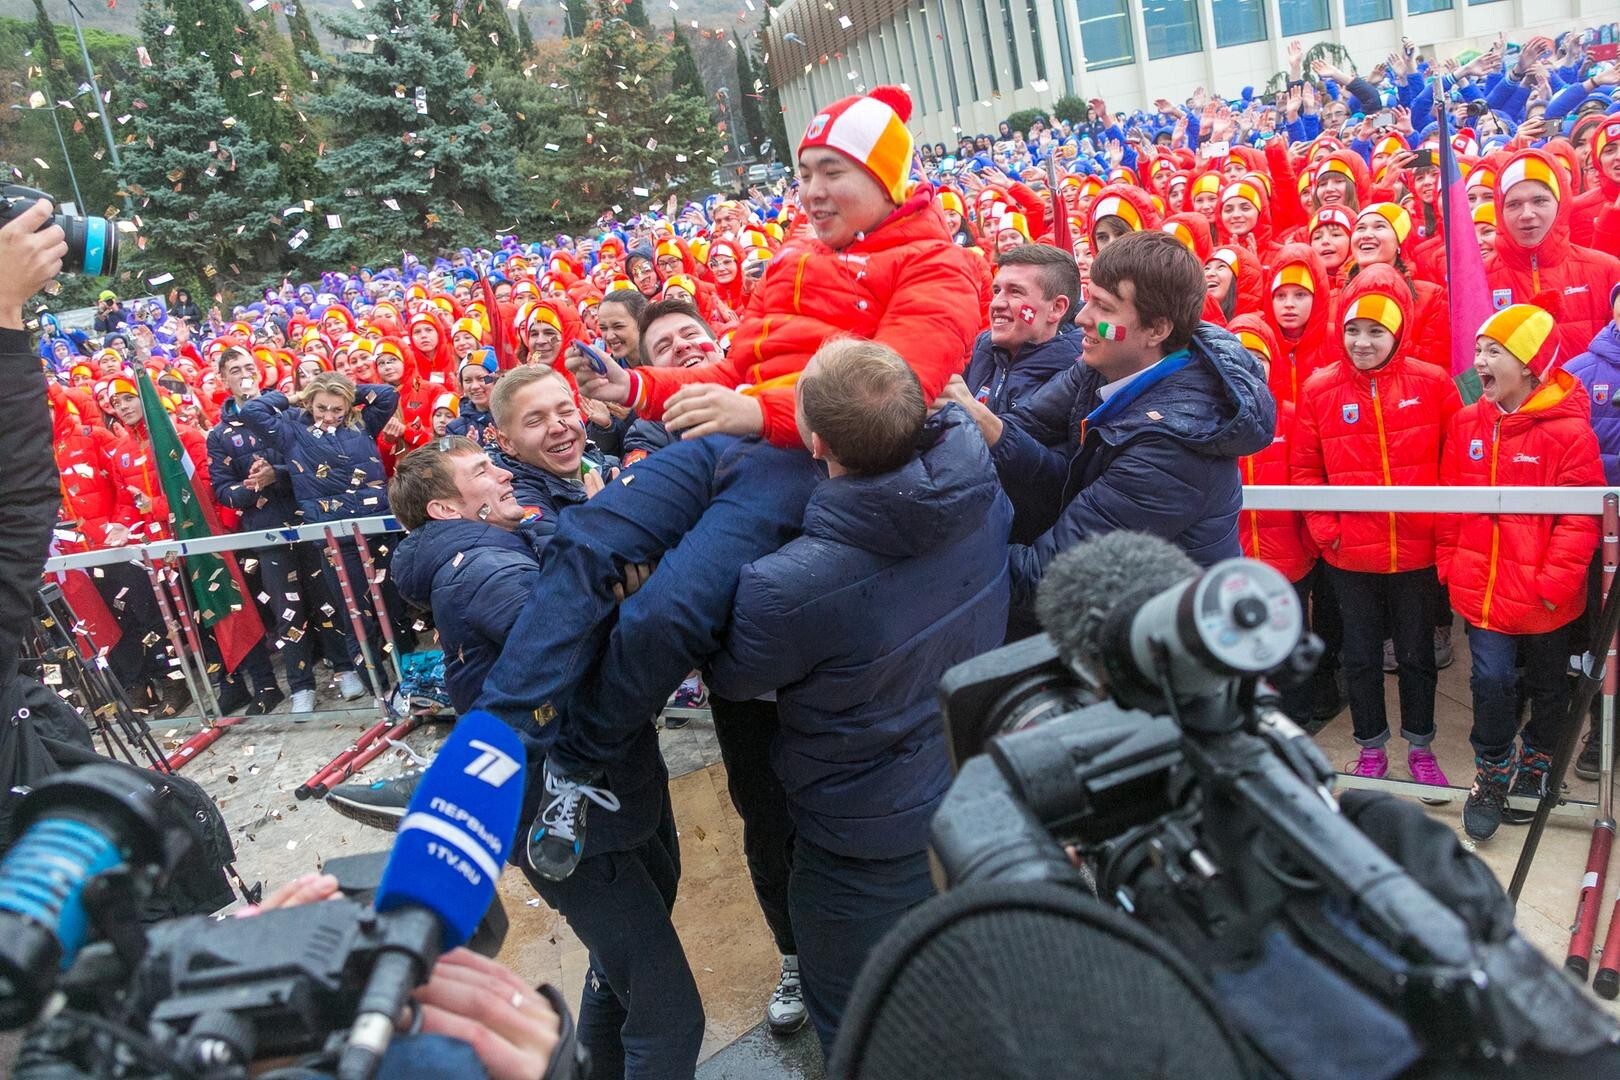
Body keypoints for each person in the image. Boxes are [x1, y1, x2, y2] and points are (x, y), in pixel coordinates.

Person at [478, 84, 981, 882]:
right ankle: (494, 745)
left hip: (801, 458)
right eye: (804, 173)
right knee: (587, 538)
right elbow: (731, 368)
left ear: (887, 180)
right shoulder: (795, 255)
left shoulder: (937, 267)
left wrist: (759, 411)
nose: (811, 191)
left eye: (832, 172)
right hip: (729, 439)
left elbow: (894, 391)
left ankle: (576, 763)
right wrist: (636, 387)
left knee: (664, 613)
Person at [709, 339, 1012, 1057]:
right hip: (963, 792)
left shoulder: (786, 584)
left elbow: (734, 677)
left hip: (860, 841)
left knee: (861, 1026)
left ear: (813, 443)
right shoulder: (979, 491)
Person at [942, 229, 1274, 628]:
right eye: (1089, 298)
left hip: (1166, 641)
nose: (1082, 317)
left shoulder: (1172, 451)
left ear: (1157, 330)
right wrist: (975, 422)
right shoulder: (1102, 364)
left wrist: (933, 559)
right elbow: (1026, 425)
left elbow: (1049, 576)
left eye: (1103, 307)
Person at [1291, 265, 1460, 787]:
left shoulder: (1433, 383)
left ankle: (1421, 748)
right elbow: (1305, 470)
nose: (1362, 342)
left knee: (1415, 656)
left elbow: (1455, 463)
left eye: (1375, 331)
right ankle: (1370, 747)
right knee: (1361, 656)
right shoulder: (1320, 388)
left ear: (1399, 331)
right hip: (1351, 555)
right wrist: (1329, 531)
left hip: (1416, 551)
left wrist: (1442, 533)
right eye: (1353, 330)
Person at [1441, 303, 1603, 841]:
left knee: (1549, 687)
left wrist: (1553, 585)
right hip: (1481, 589)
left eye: (1495, 351)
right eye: (1479, 349)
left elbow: (1579, 519)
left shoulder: (1569, 432)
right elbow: (1449, 502)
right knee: (1489, 681)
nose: (1479, 361)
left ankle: (1537, 760)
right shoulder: (1467, 422)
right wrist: (1449, 562)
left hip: (1545, 597)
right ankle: (1492, 770)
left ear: (1531, 366)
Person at [208, 345, 357, 709]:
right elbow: (222, 491)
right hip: (267, 531)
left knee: (326, 596)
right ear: (223, 380)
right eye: (235, 370)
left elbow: (320, 464)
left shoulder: (291, 414)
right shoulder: (219, 434)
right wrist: (252, 487)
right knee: (286, 610)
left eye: (249, 367)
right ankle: (301, 685)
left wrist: (279, 474)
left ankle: (344, 667)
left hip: (308, 519)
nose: (245, 375)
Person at [237, 372, 398, 689]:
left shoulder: (361, 424)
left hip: (378, 528)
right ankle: (380, 691)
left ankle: (410, 683)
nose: (329, 416)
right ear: (310, 404)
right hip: (337, 542)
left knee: (393, 609)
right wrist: (298, 396)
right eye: (322, 408)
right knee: (357, 616)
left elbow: (386, 395)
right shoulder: (292, 432)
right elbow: (252, 411)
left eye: (337, 409)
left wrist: (347, 391)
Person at [960, 244, 1081, 419]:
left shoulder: (1075, 378)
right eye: (997, 291)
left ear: (1056, 308)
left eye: (1015, 292)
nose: (996, 303)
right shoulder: (981, 351)